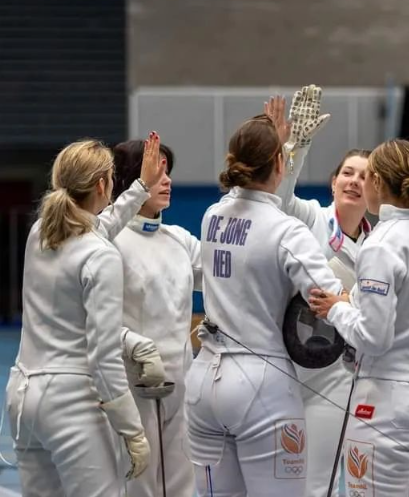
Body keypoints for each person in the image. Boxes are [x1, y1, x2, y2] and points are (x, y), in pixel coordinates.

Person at [185, 114, 343, 497]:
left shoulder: (213, 216)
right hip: (260, 384)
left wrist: (278, 143)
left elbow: (243, 199)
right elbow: (329, 297)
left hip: (204, 381)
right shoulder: (287, 229)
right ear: (278, 164)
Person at [5, 134, 166, 497]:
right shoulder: (100, 255)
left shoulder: (40, 235)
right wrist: (132, 431)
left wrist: (141, 187)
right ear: (101, 184)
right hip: (71, 405)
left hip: (22, 400)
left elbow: (98, 228)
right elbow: (104, 357)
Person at [310, 139, 409, 497]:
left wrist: (335, 307)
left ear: (377, 181)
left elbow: (373, 336)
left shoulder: (381, 243)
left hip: (387, 405)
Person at [267, 87, 372, 497]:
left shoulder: (377, 247)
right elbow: (278, 196)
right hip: (286, 369)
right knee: (282, 479)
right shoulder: (310, 216)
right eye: (348, 172)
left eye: (365, 176)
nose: (354, 181)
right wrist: (296, 146)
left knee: (322, 484)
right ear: (333, 182)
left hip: (339, 378)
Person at [111, 139, 201, 497]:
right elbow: (93, 319)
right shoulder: (110, 243)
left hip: (182, 385)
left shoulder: (179, 240)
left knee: (182, 484)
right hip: (131, 387)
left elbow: (230, 278)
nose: (167, 180)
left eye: (168, 171)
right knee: (137, 484)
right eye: (157, 171)